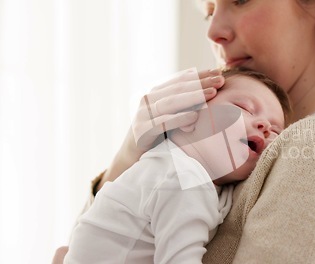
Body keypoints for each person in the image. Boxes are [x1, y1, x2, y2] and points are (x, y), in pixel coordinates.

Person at [53, 0, 315, 263]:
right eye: (208, 10)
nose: (212, 30)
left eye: (239, 0)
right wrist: (130, 155)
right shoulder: (221, 159)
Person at [63, 68, 291, 264]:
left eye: (275, 132)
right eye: (245, 108)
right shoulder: (181, 178)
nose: (264, 126)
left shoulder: (206, 181)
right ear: (186, 117)